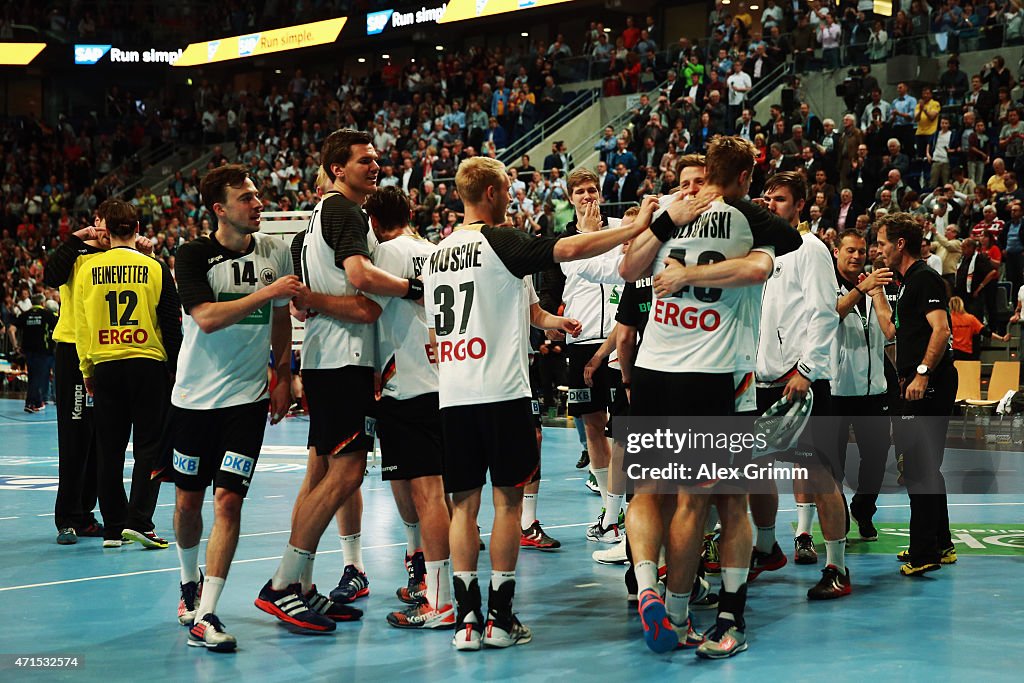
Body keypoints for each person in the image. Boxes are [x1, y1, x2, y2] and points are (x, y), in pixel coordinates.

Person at [423, 156, 649, 651]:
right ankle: (500, 619)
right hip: (502, 393)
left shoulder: (438, 253)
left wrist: (552, 324)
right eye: (507, 188)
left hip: (453, 394)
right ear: (489, 193)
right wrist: (635, 227)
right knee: (506, 503)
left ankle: (465, 619)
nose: (512, 196)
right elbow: (568, 248)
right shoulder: (502, 241)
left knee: (463, 506)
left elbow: (517, 308)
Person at [621, 136, 802, 658]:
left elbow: (628, 271)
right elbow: (761, 265)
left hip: (655, 370)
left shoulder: (669, 217)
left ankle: (647, 585)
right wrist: (695, 272)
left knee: (650, 491)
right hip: (714, 375)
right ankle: (683, 616)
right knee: (709, 500)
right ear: (747, 178)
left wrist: (667, 234)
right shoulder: (750, 220)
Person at [256, 130, 420, 633]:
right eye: (363, 161)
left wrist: (316, 303)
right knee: (346, 475)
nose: (374, 167)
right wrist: (417, 288)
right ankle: (282, 585)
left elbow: (320, 293)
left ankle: (303, 585)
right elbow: (363, 282)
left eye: (376, 160)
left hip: (328, 359)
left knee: (321, 473)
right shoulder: (345, 212)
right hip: (343, 359)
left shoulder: (319, 216)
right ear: (335, 168)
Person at [168, 164, 305, 652]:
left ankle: (207, 612)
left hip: (245, 401)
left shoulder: (276, 251)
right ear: (219, 209)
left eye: (256, 194)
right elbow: (206, 319)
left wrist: (283, 373)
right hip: (193, 399)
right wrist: (267, 292)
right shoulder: (192, 256)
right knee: (187, 502)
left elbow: (283, 317)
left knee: (228, 501)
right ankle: (188, 579)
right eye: (246, 197)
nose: (257, 202)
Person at [754, 171, 849, 600]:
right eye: (767, 197)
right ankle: (765, 546)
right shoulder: (760, 253)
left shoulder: (810, 249)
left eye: (779, 199)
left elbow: (824, 314)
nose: (770, 204)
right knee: (751, 472)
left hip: (801, 382)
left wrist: (807, 370)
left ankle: (837, 567)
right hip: (762, 380)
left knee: (820, 475)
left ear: (799, 206)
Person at [73, 198, 182, 549]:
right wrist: (176, 370)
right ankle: (139, 522)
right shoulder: (155, 267)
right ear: (137, 229)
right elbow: (170, 324)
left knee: (109, 448)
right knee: (149, 447)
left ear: (106, 231)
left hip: (104, 364)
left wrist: (86, 367)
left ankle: (112, 527)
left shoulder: (87, 269)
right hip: (147, 363)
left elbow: (82, 325)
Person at [874, 213, 958, 576]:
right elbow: (893, 329)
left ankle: (925, 554)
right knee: (927, 469)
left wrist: (922, 373)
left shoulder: (925, 279)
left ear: (900, 244)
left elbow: (941, 329)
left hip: (926, 383)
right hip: (912, 383)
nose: (878, 250)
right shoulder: (908, 283)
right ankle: (941, 542)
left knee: (920, 470)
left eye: (881, 243)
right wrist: (876, 294)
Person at [44, 218, 111, 544]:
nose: (102, 228)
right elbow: (51, 276)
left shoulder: (122, 254)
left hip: (110, 351)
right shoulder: (77, 252)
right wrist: (72, 241)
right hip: (73, 348)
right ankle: (67, 517)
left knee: (102, 438)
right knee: (74, 436)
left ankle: (85, 514)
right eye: (99, 221)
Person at [832, 230, 896, 541]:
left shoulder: (874, 287)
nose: (857, 256)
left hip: (874, 390)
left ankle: (863, 508)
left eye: (861, 251)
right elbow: (833, 315)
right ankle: (838, 513)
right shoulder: (826, 283)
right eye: (850, 251)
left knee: (878, 456)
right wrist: (862, 288)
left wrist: (878, 295)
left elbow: (888, 330)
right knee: (834, 461)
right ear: (836, 252)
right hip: (836, 390)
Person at [13, 293, 57, 413]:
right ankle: (30, 403)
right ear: (42, 303)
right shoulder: (47, 314)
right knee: (39, 378)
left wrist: (15, 345)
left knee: (33, 376)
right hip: (43, 352)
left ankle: (37, 402)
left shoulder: (25, 315)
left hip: (28, 351)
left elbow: (11, 328)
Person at [949, 295, 1009, 360]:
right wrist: (1002, 338)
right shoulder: (971, 319)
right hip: (968, 353)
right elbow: (986, 332)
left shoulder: (948, 319)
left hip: (954, 353)